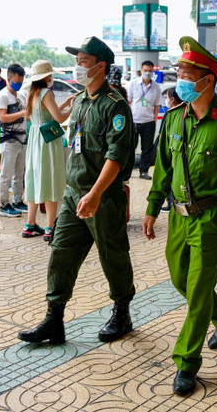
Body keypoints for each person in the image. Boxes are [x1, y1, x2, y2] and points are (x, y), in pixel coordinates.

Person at [143, 37, 217, 396]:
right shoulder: (174, 118)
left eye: (188, 75)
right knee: (182, 281)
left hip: (213, 219)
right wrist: (152, 207)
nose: (182, 81)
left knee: (199, 289)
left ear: (208, 81)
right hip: (178, 217)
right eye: (180, 74)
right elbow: (163, 166)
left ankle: (187, 362)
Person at [18, 36, 136, 346]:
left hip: (103, 196)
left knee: (112, 255)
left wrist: (95, 193)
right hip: (73, 194)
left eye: (83, 61)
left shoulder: (115, 106)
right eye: (77, 60)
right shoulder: (81, 99)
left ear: (100, 66)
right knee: (61, 252)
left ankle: (122, 313)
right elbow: (74, 143)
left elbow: (116, 156)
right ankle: (54, 319)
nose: (77, 66)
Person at [23, 60, 75, 241]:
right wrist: (71, 108)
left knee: (35, 178)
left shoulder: (32, 93)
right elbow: (59, 119)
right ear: (46, 77)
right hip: (48, 141)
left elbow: (42, 114)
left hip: (35, 138)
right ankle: (50, 227)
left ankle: (29, 225)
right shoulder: (46, 93)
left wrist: (64, 104)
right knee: (51, 179)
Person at [0, 63, 28, 216]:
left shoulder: (21, 95)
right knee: (6, 175)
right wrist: (21, 113)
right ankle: (3, 204)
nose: (19, 83)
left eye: (21, 81)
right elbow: (2, 117)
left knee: (19, 174)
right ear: (8, 79)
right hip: (9, 139)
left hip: (22, 138)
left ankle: (17, 201)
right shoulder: (2, 96)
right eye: (16, 81)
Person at [127, 60, 162, 180]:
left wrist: (154, 119)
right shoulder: (133, 84)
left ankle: (144, 171)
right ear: (141, 71)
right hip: (134, 121)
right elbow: (129, 101)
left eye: (150, 71)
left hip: (148, 122)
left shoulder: (156, 87)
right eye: (145, 70)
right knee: (130, 147)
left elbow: (157, 105)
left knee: (147, 149)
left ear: (153, 72)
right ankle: (128, 172)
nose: (147, 73)